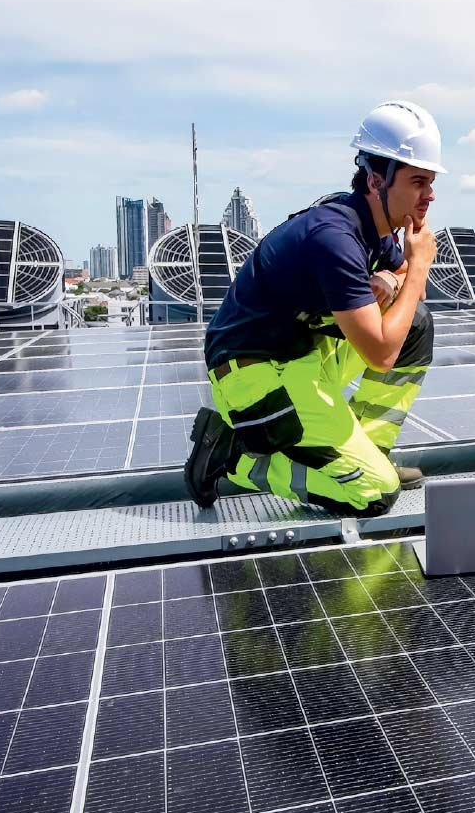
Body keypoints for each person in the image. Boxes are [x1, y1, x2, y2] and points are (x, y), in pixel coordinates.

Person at [183, 100, 444, 516]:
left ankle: (369, 451)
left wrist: (395, 278)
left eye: (430, 182)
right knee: (375, 494)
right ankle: (234, 455)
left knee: (415, 321)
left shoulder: (374, 227)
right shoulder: (334, 238)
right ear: (377, 180)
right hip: (253, 372)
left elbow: (411, 289)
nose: (429, 195)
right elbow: (381, 353)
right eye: (417, 182)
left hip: (303, 357)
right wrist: (418, 267)